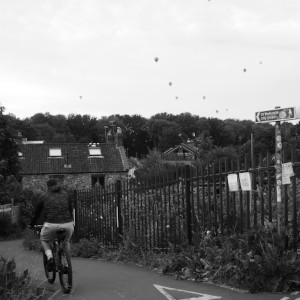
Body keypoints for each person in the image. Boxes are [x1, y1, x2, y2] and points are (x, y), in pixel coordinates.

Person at [29, 179, 74, 271]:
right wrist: (71, 222)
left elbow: (37, 213)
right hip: (68, 224)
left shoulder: (44, 196)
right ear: (57, 185)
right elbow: (70, 209)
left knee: (44, 240)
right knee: (65, 242)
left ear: (48, 187)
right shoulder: (66, 194)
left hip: (51, 224)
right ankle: (66, 264)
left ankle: (50, 258)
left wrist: (32, 224)